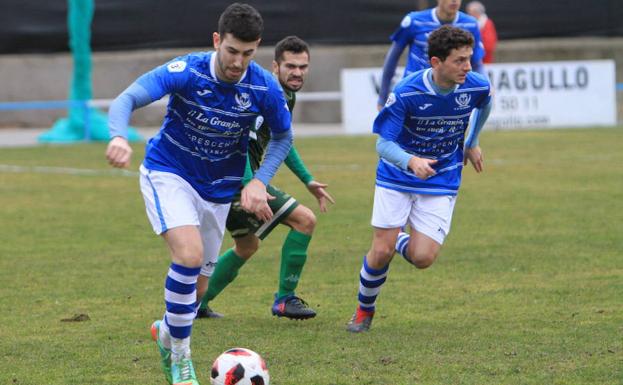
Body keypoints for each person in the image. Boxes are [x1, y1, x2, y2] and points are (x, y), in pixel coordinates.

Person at [105, 3, 293, 384]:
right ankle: (180, 361)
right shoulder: (186, 70)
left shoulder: (262, 86)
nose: (238, 62)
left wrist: (258, 180)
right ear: (216, 41)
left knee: (197, 289)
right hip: (169, 173)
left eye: (248, 53)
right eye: (232, 51)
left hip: (219, 192)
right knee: (188, 257)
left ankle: (166, 330)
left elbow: (283, 136)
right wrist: (119, 136)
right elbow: (126, 98)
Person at [346, 25, 493, 333]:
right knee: (381, 251)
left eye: (469, 59)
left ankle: (398, 237)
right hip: (397, 176)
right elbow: (383, 145)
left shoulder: (475, 86)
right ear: (436, 62)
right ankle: (364, 310)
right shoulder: (406, 93)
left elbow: (486, 101)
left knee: (423, 257)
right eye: (459, 61)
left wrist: (472, 141)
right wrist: (411, 161)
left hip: (442, 179)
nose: (468, 67)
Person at [196, 36, 335, 321]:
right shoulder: (270, 93)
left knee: (247, 246)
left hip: (233, 179)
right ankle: (284, 300)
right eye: (291, 66)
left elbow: (283, 141)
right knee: (304, 220)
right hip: (236, 179)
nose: (297, 72)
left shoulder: (284, 95)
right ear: (275, 66)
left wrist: (307, 180)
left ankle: (197, 304)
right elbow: (240, 142)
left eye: (303, 67)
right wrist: (250, 185)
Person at [377, 0, 485, 110]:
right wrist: (382, 98)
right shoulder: (414, 21)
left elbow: (476, 63)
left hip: (451, 95)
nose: (454, 1)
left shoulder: (471, 24)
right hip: (414, 93)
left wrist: (487, 86)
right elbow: (392, 59)